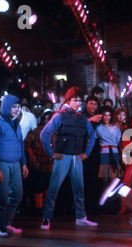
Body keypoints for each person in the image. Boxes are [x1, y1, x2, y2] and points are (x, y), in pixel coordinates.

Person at [39, 87, 97, 230]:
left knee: (79, 189)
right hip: (63, 156)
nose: (78, 103)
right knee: (53, 188)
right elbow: (44, 134)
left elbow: (92, 136)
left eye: (80, 100)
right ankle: (46, 218)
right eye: (75, 100)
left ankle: (81, 217)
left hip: (76, 157)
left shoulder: (82, 117)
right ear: (68, 100)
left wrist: (86, 153)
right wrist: (51, 153)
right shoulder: (60, 115)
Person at [0, 94, 29, 236]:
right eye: (13, 106)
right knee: (2, 196)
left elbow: (20, 145)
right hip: (2, 164)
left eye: (18, 107)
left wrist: (23, 163)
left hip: (15, 164)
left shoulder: (16, 124)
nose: (16, 109)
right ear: (6, 107)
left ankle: (7, 223)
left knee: (17, 194)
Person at [24, 109, 54, 214]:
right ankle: (38, 208)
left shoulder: (56, 132)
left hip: (51, 163)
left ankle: (46, 208)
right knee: (38, 186)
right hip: (38, 163)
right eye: (46, 118)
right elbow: (26, 143)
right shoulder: (37, 131)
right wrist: (32, 156)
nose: (47, 120)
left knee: (48, 186)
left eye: (49, 118)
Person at [96, 105, 122, 186]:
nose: (107, 117)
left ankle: (113, 197)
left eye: (109, 115)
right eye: (104, 115)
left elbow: (118, 140)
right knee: (105, 177)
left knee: (115, 176)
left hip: (114, 152)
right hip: (104, 152)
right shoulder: (98, 127)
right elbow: (95, 138)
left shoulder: (116, 127)